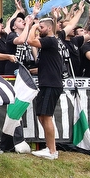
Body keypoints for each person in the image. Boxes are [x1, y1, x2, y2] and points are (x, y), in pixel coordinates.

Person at [27, 17, 62, 160]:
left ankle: (52, 151)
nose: (39, 29)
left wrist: (33, 26)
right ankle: (49, 147)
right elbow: (48, 65)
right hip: (47, 83)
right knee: (42, 116)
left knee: (47, 116)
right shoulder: (49, 43)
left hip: (51, 84)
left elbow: (30, 41)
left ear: (48, 28)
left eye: (42, 27)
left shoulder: (50, 40)